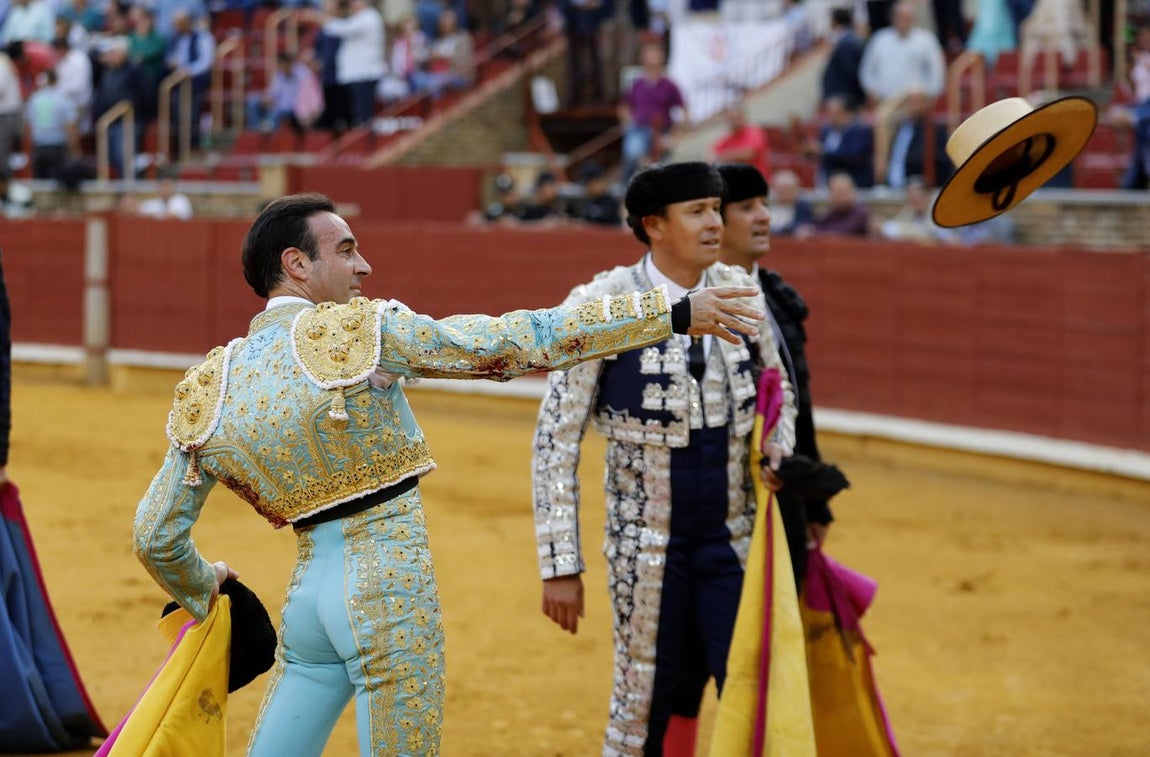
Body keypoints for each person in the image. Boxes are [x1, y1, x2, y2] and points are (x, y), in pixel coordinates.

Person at [131, 192, 763, 757]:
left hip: (307, 603)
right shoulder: (359, 331)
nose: (364, 267)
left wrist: (204, 590)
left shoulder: (212, 386)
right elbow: (515, 341)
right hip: (388, 587)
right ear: (297, 265)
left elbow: (155, 535)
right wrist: (670, 315)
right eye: (346, 250)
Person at [531, 162, 796, 755]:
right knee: (642, 698)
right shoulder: (602, 304)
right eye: (698, 210)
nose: (715, 222)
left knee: (754, 690)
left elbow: (780, 389)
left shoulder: (740, 288)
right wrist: (560, 563)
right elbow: (555, 438)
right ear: (654, 225)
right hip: (643, 545)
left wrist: (780, 444)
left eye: (715, 208)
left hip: (732, 536)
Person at [859, 1, 946, 185]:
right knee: (882, 120)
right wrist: (872, 90)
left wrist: (929, 96)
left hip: (915, 98)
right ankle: (882, 171)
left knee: (887, 116)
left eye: (908, 17)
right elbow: (867, 72)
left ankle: (887, 172)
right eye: (901, 17)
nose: (904, 21)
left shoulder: (926, 39)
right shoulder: (880, 40)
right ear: (893, 19)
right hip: (887, 101)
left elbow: (937, 73)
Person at [618, 41, 686, 186]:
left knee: (664, 168)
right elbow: (624, 106)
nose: (652, 57)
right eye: (649, 53)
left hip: (663, 130)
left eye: (655, 53)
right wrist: (629, 123)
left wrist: (675, 136)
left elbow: (683, 111)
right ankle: (625, 189)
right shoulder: (637, 84)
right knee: (633, 154)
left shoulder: (669, 85)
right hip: (640, 128)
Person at [24, 69, 78, 181]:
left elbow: (28, 127)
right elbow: (70, 126)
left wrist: (29, 151)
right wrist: (75, 149)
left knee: (40, 183)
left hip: (38, 145)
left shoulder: (34, 99)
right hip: (57, 145)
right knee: (57, 184)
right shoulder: (63, 98)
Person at [808, 95, 873, 189]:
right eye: (829, 112)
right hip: (828, 182)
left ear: (848, 113)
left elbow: (854, 158)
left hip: (854, 185)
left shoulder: (860, 131)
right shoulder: (826, 131)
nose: (831, 116)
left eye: (835, 113)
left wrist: (823, 152)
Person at [708, 102, 771, 183]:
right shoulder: (727, 137)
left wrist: (723, 156)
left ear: (744, 117)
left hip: (756, 181)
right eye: (731, 119)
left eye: (737, 118)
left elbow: (748, 154)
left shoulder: (754, 131)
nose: (735, 122)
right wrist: (733, 155)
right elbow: (710, 157)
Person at [821, 7, 865, 109]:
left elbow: (852, 72)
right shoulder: (844, 41)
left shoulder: (847, 43)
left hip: (843, 97)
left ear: (835, 21)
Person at [812, 171, 869, 236]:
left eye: (843, 193)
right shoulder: (828, 214)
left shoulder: (861, 213)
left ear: (852, 192)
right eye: (836, 193)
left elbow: (845, 231)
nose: (840, 197)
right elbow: (816, 228)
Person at [768, 168, 814, 236]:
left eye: (789, 189)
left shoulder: (804, 209)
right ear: (774, 189)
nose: (785, 193)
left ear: (797, 189)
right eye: (781, 189)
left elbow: (802, 228)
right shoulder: (765, 209)